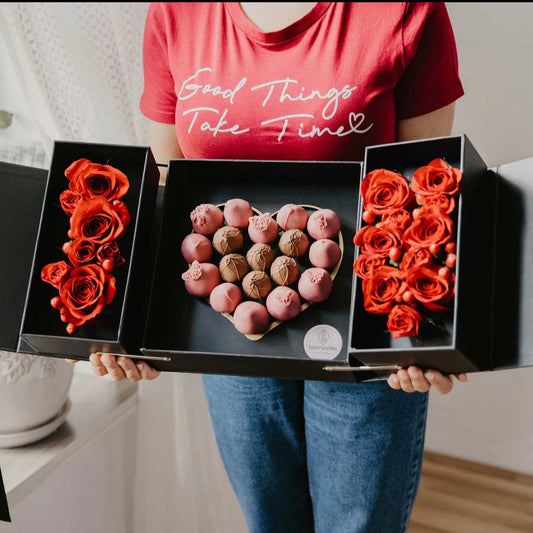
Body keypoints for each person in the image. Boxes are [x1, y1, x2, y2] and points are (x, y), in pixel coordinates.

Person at [74, 3, 469, 532]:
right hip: (230, 332)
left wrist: (430, 338)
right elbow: (168, 186)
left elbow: (428, 187)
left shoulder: (404, 10)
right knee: (268, 521)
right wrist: (133, 328)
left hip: (365, 329)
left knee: (358, 525)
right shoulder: (177, 11)